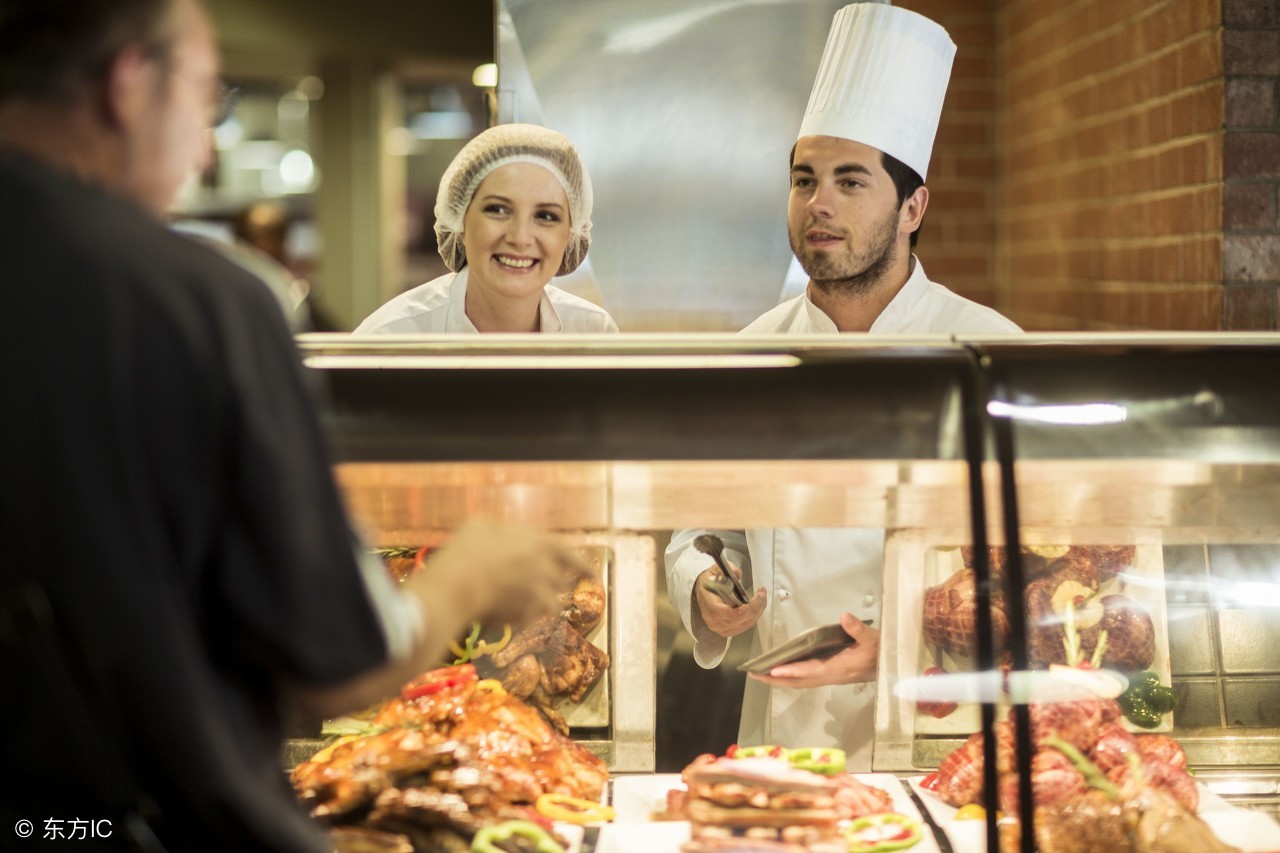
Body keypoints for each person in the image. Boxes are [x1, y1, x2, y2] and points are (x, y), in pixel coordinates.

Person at [0, 1, 586, 850]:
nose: (205, 149)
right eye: (205, 99)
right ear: (129, 86)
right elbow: (336, 654)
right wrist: (467, 577)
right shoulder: (198, 303)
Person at [666, 2, 1021, 770]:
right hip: (782, 735)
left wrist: (901, 645)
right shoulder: (751, 354)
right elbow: (700, 529)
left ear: (912, 207)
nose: (818, 203)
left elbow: (1035, 573)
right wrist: (704, 586)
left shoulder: (987, 351)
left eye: (850, 181)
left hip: (944, 731)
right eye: (805, 180)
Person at [355, 123, 619, 334]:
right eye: (498, 210)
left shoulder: (594, 332)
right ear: (460, 220)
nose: (520, 238)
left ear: (571, 234)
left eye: (546, 216)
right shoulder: (389, 338)